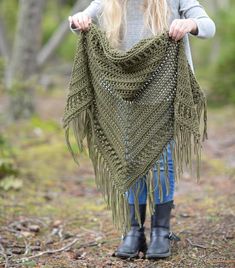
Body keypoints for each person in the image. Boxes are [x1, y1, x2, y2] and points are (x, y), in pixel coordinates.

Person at [68, 0, 216, 260]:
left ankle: (161, 231)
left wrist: (190, 24)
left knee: (161, 163)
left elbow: (208, 25)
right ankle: (133, 231)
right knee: (129, 161)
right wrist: (77, 20)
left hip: (164, 93)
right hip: (122, 97)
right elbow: (78, 19)